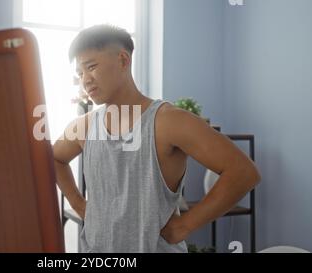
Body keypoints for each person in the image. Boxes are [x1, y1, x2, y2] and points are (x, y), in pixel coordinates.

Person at [52, 25, 261, 253]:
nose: (85, 80)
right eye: (80, 73)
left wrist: (185, 225)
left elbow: (244, 172)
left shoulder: (169, 121)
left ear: (123, 60)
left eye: (91, 67)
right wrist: (79, 204)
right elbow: (55, 159)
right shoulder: (85, 125)